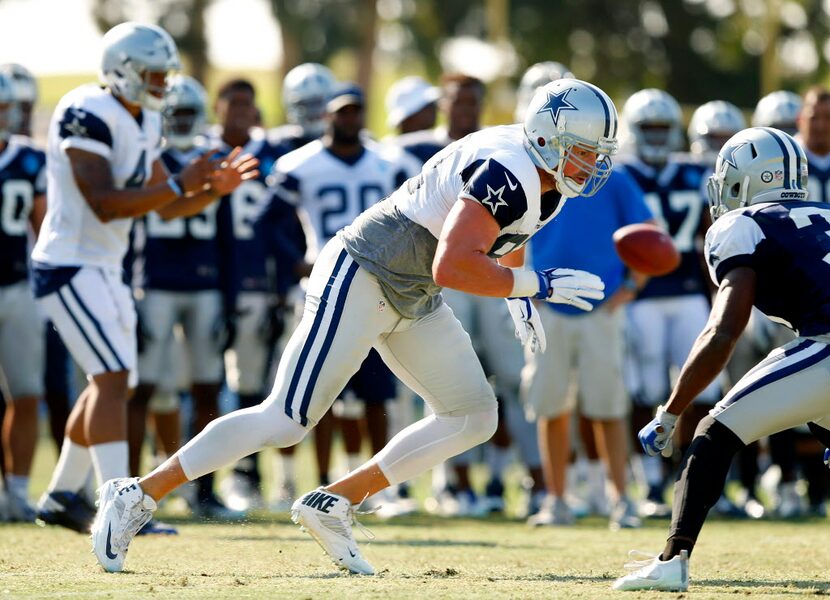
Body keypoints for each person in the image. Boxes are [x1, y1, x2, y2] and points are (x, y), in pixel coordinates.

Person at [91, 77, 617, 575]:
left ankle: (335, 501)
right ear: (548, 136)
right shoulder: (510, 170)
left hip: (411, 287)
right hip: (366, 268)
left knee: (473, 416)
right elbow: (452, 264)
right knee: (287, 418)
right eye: (584, 150)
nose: (592, 163)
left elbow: (502, 234)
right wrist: (532, 286)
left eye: (597, 152)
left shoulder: (546, 173)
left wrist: (516, 296)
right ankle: (138, 492)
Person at [30, 22, 258, 534]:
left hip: (103, 265)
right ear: (123, 70)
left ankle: (63, 495)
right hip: (68, 262)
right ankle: (118, 506)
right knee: (112, 379)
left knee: (113, 380)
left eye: (164, 75)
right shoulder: (84, 111)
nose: (162, 84)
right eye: (153, 74)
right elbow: (106, 203)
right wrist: (182, 181)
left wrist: (210, 192)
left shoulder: (140, 120)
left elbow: (168, 205)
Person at [612, 126, 830, 592]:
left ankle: (671, 561)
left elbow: (723, 331)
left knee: (713, 434)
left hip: (826, 345)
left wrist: (671, 411)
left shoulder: (742, 225)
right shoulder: (825, 212)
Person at [257, 82, 408, 502]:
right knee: (319, 388)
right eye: (341, 111)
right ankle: (320, 477)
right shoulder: (299, 164)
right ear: (328, 115)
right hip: (322, 286)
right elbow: (268, 223)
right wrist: (298, 262)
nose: (349, 118)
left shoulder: (387, 163)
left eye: (355, 111)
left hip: (378, 285)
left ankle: (378, 488)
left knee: (378, 390)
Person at [128, 74, 237, 523]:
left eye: (188, 113)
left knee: (207, 385)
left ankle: (204, 492)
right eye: (174, 113)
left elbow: (228, 237)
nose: (180, 121)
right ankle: (131, 487)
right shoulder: (148, 156)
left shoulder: (212, 157)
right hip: (154, 282)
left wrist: (230, 298)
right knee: (145, 386)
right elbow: (132, 225)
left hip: (205, 285)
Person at [523, 163, 651, 530]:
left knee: (609, 407)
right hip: (547, 301)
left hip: (602, 303)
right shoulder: (533, 172)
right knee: (550, 405)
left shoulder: (616, 177)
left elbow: (648, 232)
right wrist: (523, 287)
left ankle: (621, 500)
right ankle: (557, 499)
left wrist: (632, 287)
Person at [617, 90, 726, 517]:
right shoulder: (620, 174)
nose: (657, 137)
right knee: (642, 386)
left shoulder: (693, 173)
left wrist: (716, 287)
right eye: (649, 128)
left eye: (664, 128)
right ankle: (649, 479)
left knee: (702, 387)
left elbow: (708, 234)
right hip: (641, 295)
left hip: (686, 292)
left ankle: (693, 474)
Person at [0, 70, 47, 522]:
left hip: (16, 285)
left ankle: (16, 491)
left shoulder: (30, 158)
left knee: (27, 395)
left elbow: (44, 227)